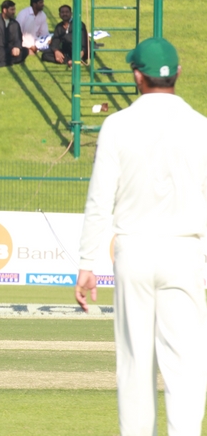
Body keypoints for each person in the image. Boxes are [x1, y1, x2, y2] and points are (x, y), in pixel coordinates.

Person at [75, 37, 207, 436]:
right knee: (185, 364)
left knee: (135, 364)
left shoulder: (117, 125)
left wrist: (86, 264)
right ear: (178, 74)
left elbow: (100, 199)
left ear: (137, 76)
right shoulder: (201, 127)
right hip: (185, 251)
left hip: (133, 250)